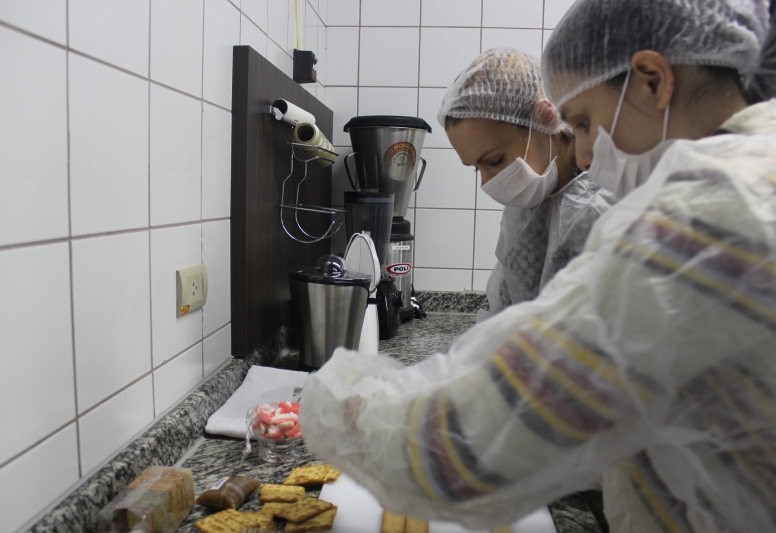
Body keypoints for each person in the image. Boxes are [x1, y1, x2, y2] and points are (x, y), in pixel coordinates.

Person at [300, 1, 776, 531]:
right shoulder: (754, 172)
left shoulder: (711, 210)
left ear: (652, 81)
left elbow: (474, 444)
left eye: (585, 122)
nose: (586, 155)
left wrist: (334, 408)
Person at [439, 48, 614, 312]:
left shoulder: (606, 205)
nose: (487, 183)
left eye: (495, 160)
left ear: (546, 118)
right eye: (476, 168)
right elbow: (508, 308)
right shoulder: (525, 212)